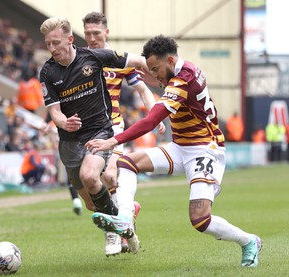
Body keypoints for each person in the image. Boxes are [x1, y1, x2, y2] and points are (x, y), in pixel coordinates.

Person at [85, 35, 262, 267]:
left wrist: (112, 141)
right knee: (127, 162)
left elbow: (150, 121)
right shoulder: (178, 70)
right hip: (181, 147)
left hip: (204, 150)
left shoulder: (182, 80)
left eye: (156, 69)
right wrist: (141, 68)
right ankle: (125, 219)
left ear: (169, 60)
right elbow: (154, 76)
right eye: (152, 70)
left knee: (200, 219)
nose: (155, 75)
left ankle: (249, 241)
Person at [39, 16, 150, 254]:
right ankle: (125, 224)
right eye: (48, 44)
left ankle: (113, 232)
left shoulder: (94, 57)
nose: (52, 48)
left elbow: (138, 60)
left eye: (56, 43)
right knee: (91, 203)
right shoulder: (48, 72)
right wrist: (63, 122)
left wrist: (172, 70)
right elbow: (54, 112)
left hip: (99, 130)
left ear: (70, 39)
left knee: (91, 176)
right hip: (69, 141)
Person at [81, 11, 165, 256]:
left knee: (109, 175)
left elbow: (142, 89)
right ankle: (127, 215)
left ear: (107, 33)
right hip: (85, 131)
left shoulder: (119, 60)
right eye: (88, 34)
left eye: (97, 33)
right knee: (89, 198)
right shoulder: (78, 60)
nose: (92, 38)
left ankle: (117, 232)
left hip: (112, 127)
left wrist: (154, 114)